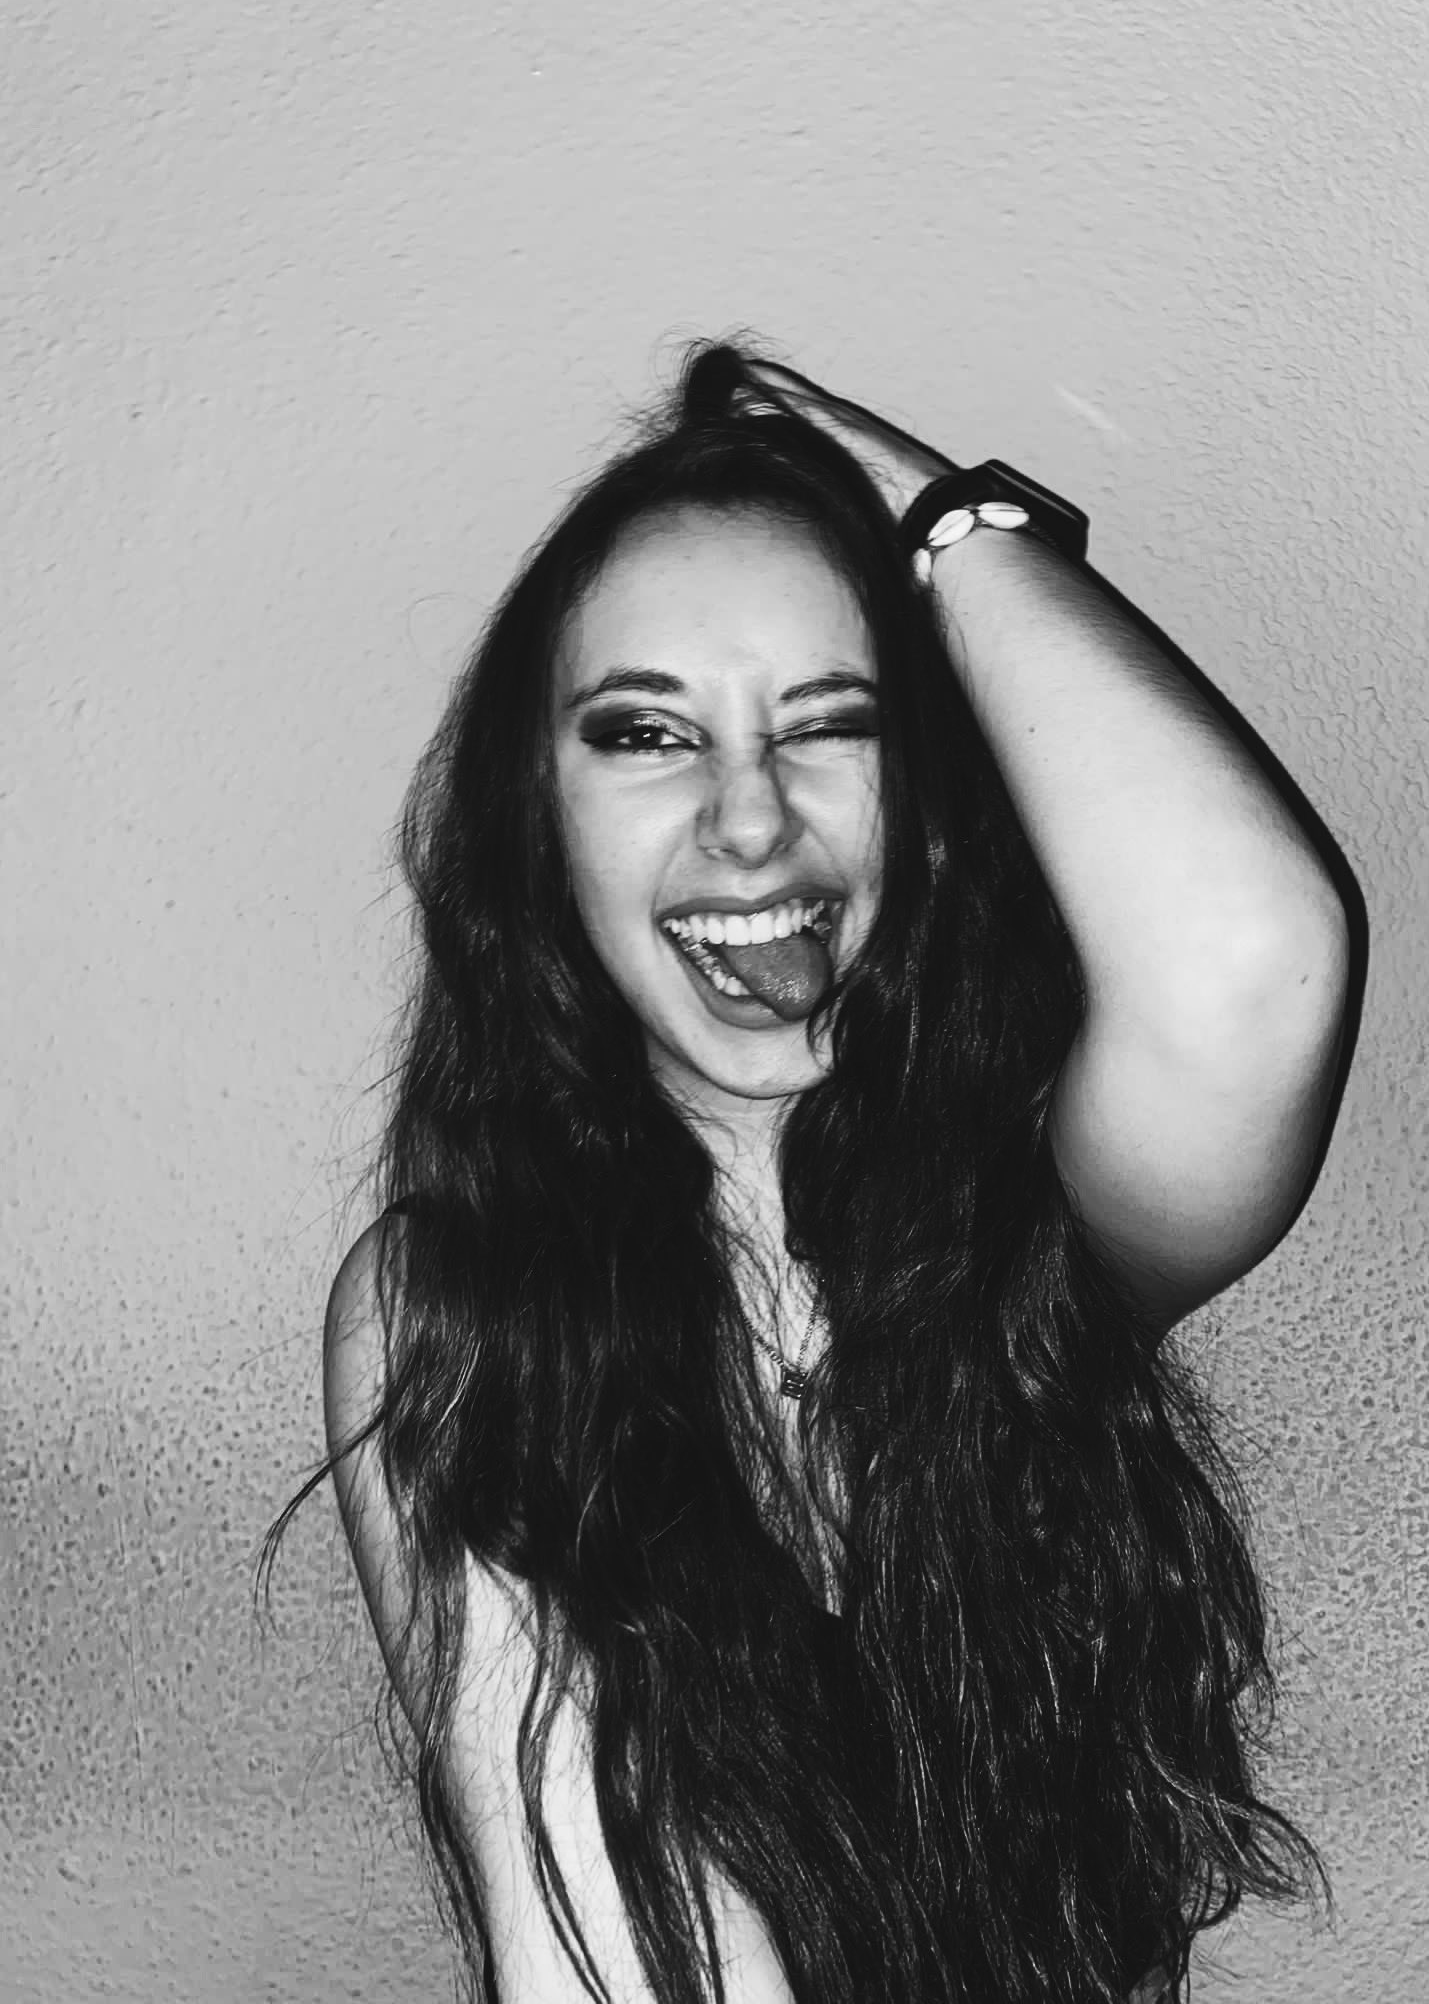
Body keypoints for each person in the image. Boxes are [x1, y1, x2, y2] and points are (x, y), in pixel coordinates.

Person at [299, 341, 1359, 2003]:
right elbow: (606, 1947)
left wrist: (939, 518)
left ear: (925, 806)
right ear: (540, 824)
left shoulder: (1038, 1223)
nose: (749, 819)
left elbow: (1251, 961)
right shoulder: (464, 1303)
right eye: (648, 733)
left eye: (832, 724)